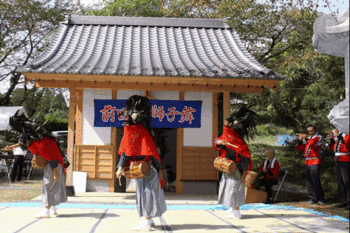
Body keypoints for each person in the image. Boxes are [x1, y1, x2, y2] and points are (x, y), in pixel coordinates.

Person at [116, 95, 166, 231]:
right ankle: (147, 220)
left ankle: (147, 221)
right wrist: (120, 166)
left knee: (147, 195)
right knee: (145, 194)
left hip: (146, 169)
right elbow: (131, 151)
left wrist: (120, 166)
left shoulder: (138, 132)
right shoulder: (137, 131)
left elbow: (147, 152)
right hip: (143, 168)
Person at [213, 106, 256, 219]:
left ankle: (237, 211)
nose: (226, 126)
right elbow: (219, 142)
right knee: (229, 188)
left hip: (237, 169)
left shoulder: (235, 140)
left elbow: (245, 159)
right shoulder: (230, 138)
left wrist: (243, 173)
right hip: (230, 167)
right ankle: (232, 209)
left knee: (235, 189)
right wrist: (218, 141)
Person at [28, 136, 67, 218]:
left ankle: (46, 211)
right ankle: (53, 208)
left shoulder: (44, 145)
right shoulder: (47, 142)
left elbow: (52, 159)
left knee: (48, 187)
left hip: (53, 167)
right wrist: (11, 147)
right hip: (57, 165)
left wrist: (55, 173)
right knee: (55, 187)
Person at [296, 124, 326, 205]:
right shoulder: (308, 138)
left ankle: (321, 198)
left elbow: (313, 145)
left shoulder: (318, 137)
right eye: (308, 131)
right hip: (307, 161)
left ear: (315, 131)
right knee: (309, 181)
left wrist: (305, 138)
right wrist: (301, 140)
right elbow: (300, 148)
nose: (310, 133)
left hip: (315, 160)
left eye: (311, 131)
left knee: (316, 180)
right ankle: (313, 198)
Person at [328, 129, 349, 210]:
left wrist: (339, 136)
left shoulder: (347, 134)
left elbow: (347, 144)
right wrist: (332, 139)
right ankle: (343, 201)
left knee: (347, 182)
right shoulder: (340, 135)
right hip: (338, 159)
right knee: (340, 182)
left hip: (345, 159)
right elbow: (333, 148)